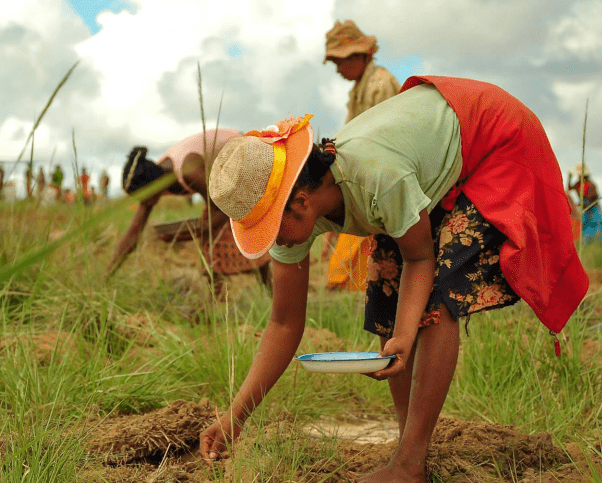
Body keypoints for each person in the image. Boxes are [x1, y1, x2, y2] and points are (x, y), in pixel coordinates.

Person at [198, 76, 589, 483]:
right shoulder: (303, 210)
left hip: (493, 136)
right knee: (386, 291)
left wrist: (405, 335)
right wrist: (234, 416)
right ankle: (410, 450)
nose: (271, 244)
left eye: (272, 231)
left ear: (301, 202)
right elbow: (283, 322)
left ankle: (409, 464)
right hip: (423, 157)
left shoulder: (378, 179)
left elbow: (420, 258)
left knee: (438, 292)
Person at [108, 130, 271, 291]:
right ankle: (219, 300)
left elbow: (222, 212)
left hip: (246, 156)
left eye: (142, 197)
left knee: (220, 239)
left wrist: (183, 234)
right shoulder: (156, 177)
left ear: (150, 187)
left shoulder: (189, 171)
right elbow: (133, 232)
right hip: (223, 178)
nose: (142, 203)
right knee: (216, 237)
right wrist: (107, 276)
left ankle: (219, 302)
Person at [323, 20, 401, 292]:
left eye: (341, 62)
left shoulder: (381, 84)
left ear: (360, 56)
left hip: (382, 180)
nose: (339, 70)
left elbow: (387, 139)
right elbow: (345, 140)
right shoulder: (359, 89)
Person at [568, 163, 602, 243]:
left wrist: (583, 203)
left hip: (592, 208)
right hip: (585, 208)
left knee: (595, 225)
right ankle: (588, 245)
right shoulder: (578, 184)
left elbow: (594, 197)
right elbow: (569, 188)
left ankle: (596, 244)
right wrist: (569, 178)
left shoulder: (590, 184)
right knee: (584, 226)